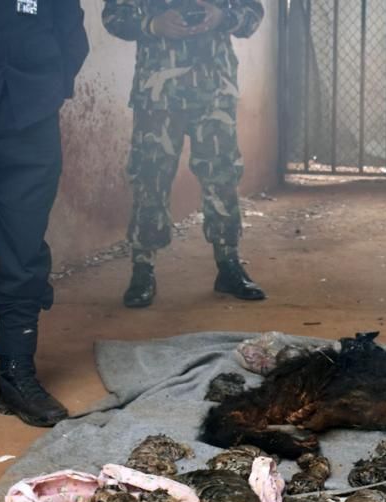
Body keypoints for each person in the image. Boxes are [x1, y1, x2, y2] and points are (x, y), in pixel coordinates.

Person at [102, 0, 266, 308]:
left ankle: (228, 263)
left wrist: (222, 16)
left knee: (222, 175)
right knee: (149, 176)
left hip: (215, 91)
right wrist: (153, 24)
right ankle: (143, 269)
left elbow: (253, 14)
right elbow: (113, 16)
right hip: (158, 95)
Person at [0, 1, 89, 427]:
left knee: (23, 246)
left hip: (27, 116)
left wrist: (49, 89)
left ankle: (16, 370)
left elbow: (71, 33)